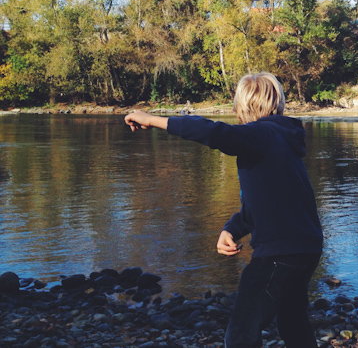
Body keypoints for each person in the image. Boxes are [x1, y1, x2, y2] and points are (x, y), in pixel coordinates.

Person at [124, 72, 323, 348]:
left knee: (240, 335)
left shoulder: (259, 134)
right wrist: (231, 228)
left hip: (279, 253)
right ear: (279, 103)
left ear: (242, 108)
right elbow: (263, 205)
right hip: (306, 248)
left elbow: (213, 132)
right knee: (293, 324)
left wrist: (153, 120)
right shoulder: (283, 139)